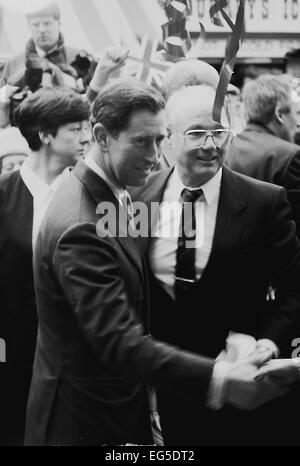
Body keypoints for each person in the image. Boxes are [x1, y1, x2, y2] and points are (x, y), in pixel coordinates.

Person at [24, 78, 286, 446]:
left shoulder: (117, 195)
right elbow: (117, 340)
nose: (154, 154)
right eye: (142, 141)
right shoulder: (84, 222)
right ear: (101, 137)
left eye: (160, 140)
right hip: (89, 418)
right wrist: (220, 379)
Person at [131, 84, 300, 445]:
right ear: (169, 139)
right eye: (196, 133)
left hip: (240, 381)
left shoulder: (264, 201)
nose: (211, 144)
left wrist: (270, 342)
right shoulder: (139, 200)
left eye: (219, 131)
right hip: (163, 383)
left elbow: (293, 287)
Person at [0, 87, 91, 445]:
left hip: (76, 361)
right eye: (76, 129)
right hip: (12, 358)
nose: (87, 137)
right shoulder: (3, 195)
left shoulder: (94, 194)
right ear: (45, 135)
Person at [226, 74, 300, 238]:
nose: (297, 122)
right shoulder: (290, 155)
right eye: (297, 112)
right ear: (279, 114)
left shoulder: (226, 149)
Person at [0, 2, 94, 91]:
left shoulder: (82, 61)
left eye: (47, 23)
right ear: (29, 26)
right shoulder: (12, 64)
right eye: (36, 24)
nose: (42, 30)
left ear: (59, 24)